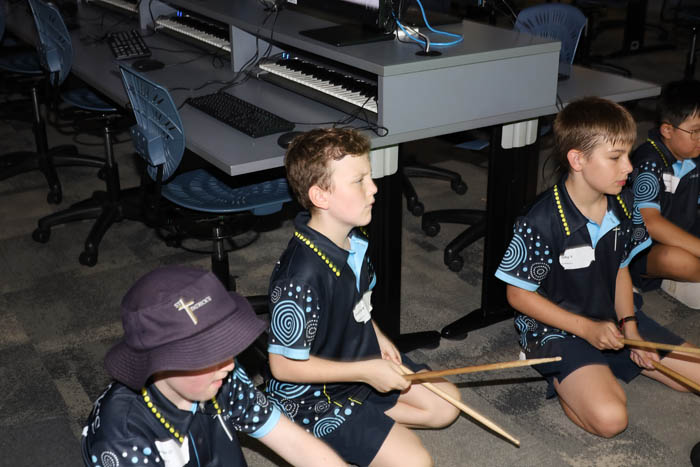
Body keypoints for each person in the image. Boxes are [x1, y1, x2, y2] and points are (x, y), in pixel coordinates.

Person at [494, 97, 700, 438]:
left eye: (628, 155)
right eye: (616, 157)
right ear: (577, 159)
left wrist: (630, 328)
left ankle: (602, 366)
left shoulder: (625, 204)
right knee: (611, 420)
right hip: (556, 328)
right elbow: (517, 295)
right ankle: (567, 377)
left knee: (693, 378)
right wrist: (587, 330)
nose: (629, 167)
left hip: (611, 319)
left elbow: (620, 269)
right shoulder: (540, 220)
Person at [265, 128, 461, 467]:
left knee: (447, 406)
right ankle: (308, 434)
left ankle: (365, 420)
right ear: (320, 196)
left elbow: (357, 303)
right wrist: (367, 372)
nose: (374, 188)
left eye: (369, 177)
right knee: (416, 463)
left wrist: (377, 335)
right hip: (314, 397)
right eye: (359, 181)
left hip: (358, 364)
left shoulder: (353, 239)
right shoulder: (300, 278)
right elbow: (282, 366)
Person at [81, 266, 346, 467]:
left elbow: (293, 442)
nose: (229, 364)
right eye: (207, 356)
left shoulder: (220, 375)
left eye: (225, 347)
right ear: (159, 362)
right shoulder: (122, 438)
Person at [628, 79, 700, 308]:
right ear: (668, 130)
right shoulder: (648, 162)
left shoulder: (694, 156)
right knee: (677, 261)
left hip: (682, 233)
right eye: (696, 131)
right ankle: (669, 279)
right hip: (641, 249)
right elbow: (650, 223)